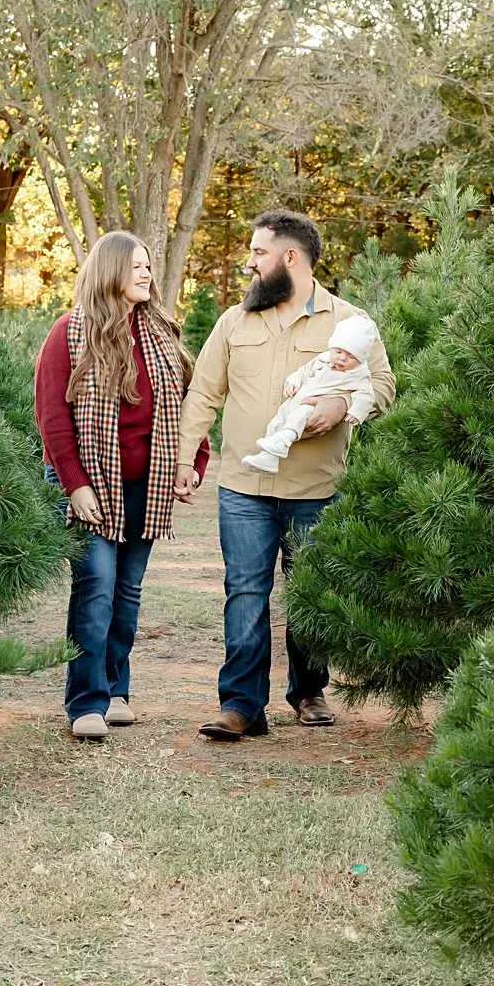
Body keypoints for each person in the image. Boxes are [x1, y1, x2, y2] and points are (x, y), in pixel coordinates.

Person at [174, 210, 396, 741]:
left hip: (316, 486)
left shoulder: (349, 322)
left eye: (258, 252)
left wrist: (341, 409)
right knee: (245, 591)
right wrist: (186, 459)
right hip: (243, 488)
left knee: (311, 591)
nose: (249, 262)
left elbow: (384, 385)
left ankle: (309, 691)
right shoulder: (235, 321)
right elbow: (205, 393)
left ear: (290, 258)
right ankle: (242, 705)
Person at [35, 231, 210, 741]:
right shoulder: (69, 333)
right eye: (135, 265)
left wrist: (193, 462)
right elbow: (51, 418)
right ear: (109, 270)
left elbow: (187, 407)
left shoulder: (161, 334)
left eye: (149, 266)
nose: (145, 274)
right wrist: (74, 485)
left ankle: (115, 690)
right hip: (88, 483)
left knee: (127, 591)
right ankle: (85, 701)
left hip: (145, 486)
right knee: (96, 584)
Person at [240, 314, 380, 474]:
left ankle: (285, 439)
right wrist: (292, 383)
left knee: (299, 416)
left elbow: (366, 395)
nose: (342, 358)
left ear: (361, 359)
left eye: (351, 356)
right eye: (338, 351)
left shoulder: (359, 374)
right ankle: (268, 458)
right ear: (332, 347)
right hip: (295, 401)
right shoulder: (323, 359)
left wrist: (356, 411)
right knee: (276, 422)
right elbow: (303, 372)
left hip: (314, 407)